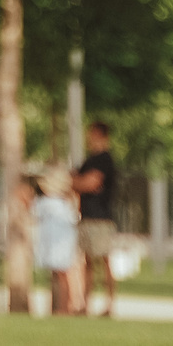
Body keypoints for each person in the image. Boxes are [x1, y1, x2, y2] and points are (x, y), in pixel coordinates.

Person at [74, 121, 119, 317]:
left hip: (101, 218)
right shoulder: (89, 161)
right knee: (88, 262)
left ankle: (109, 304)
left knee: (104, 260)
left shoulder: (105, 160)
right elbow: (76, 180)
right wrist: (77, 182)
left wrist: (78, 182)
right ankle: (86, 304)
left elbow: (88, 184)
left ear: (99, 135)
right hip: (87, 216)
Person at [29, 173, 80, 316]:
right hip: (60, 245)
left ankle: (62, 307)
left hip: (57, 246)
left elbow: (32, 213)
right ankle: (59, 307)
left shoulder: (47, 203)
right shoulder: (66, 204)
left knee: (61, 277)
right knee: (59, 277)